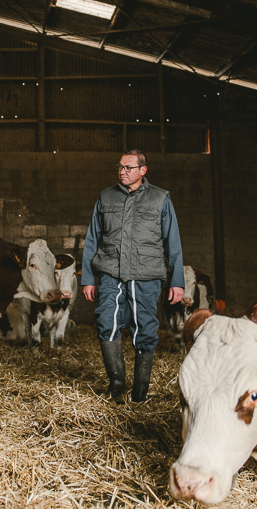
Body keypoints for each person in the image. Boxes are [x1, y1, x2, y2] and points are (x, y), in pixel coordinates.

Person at [81, 149, 184, 403]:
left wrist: (177, 281)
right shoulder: (106, 198)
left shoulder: (160, 199)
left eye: (128, 167)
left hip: (146, 274)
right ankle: (116, 387)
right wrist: (87, 278)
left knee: (146, 330)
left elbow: (173, 242)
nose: (122, 171)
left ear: (142, 171)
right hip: (110, 272)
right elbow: (93, 239)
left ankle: (140, 393)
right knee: (107, 323)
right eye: (120, 167)